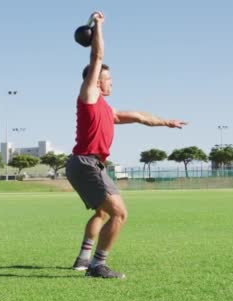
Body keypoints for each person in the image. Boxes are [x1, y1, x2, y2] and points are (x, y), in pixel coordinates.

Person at [66, 11, 187, 279]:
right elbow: (96, 57)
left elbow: (140, 117)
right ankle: (98, 265)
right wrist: (98, 26)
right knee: (119, 213)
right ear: (96, 81)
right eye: (108, 79)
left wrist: (166, 122)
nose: (111, 82)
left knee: (102, 212)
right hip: (85, 162)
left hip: (88, 164)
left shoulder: (108, 111)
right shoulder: (88, 96)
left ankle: (83, 259)